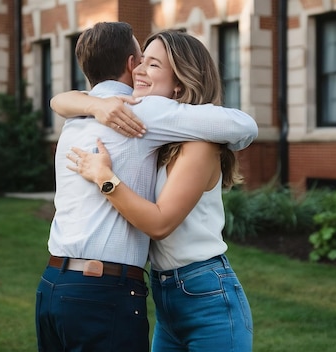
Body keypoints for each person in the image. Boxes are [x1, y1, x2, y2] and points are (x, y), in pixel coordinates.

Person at [35, 22, 257, 352]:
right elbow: (60, 100)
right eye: (141, 60)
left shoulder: (165, 123)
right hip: (165, 291)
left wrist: (104, 178)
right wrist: (95, 104)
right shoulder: (141, 124)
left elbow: (160, 223)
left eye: (152, 64)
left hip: (205, 288)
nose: (139, 69)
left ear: (181, 84)